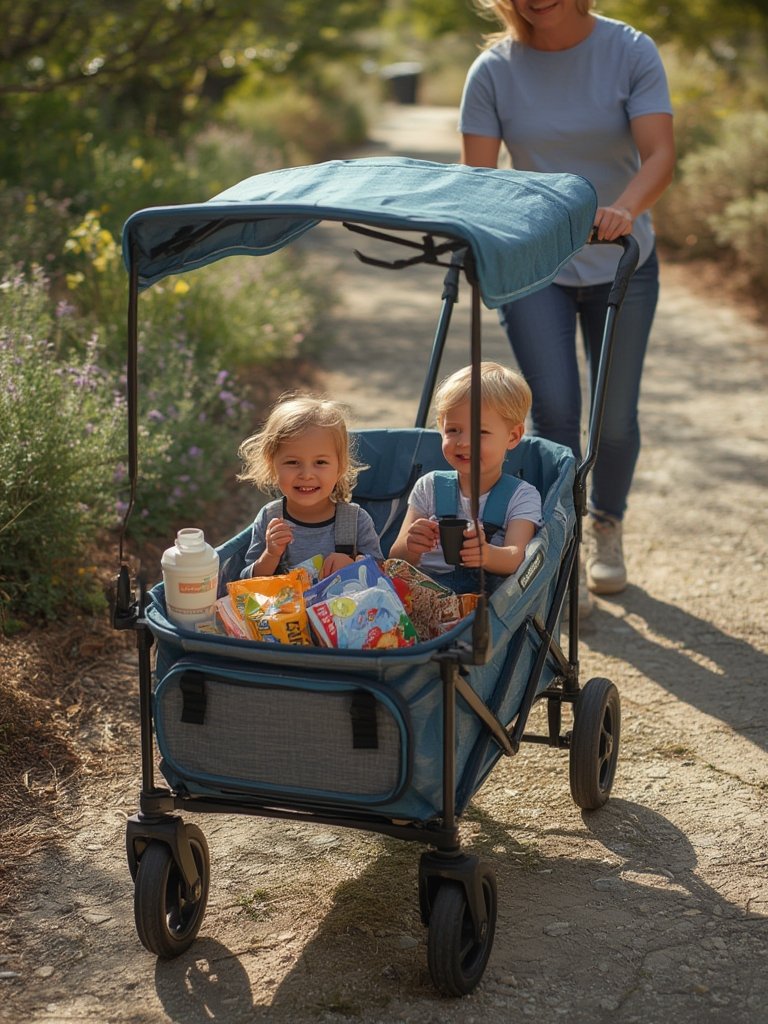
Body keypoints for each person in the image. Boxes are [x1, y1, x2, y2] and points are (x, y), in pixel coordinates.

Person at [459, 0, 675, 607]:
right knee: (554, 414)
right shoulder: (494, 70)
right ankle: (564, 549)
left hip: (623, 257)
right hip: (538, 266)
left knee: (614, 418)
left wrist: (624, 209)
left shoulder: (630, 50)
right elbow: (479, 181)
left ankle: (607, 523)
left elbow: (659, 152)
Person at [389, 362, 543, 593]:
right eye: (453, 430)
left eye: (481, 432)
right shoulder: (430, 486)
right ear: (441, 428)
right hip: (419, 592)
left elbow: (516, 557)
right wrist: (412, 545)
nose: (464, 442)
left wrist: (487, 554)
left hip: (479, 600)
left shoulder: (521, 496)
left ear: (513, 436)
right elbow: (396, 557)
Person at [237, 393, 382, 579]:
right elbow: (248, 583)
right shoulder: (271, 518)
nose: (306, 475)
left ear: (340, 467)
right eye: (292, 462)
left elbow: (381, 575)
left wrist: (353, 565)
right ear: (271, 465)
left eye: (320, 462)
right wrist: (271, 555)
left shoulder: (356, 521)